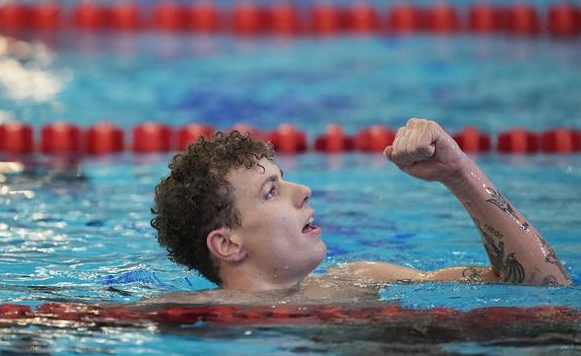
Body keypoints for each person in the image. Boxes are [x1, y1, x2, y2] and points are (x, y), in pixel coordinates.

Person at [145, 118, 571, 305]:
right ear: (227, 243)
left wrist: (459, 174)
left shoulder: (364, 280)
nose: (305, 191)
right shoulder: (193, 313)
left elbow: (543, 286)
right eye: (271, 191)